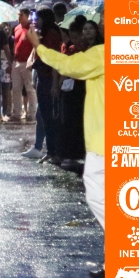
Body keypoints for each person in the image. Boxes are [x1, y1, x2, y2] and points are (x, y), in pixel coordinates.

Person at [26, 15, 105, 278]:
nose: (100, 22)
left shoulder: (104, 53)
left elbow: (68, 65)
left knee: (101, 198)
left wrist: (38, 46)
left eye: (105, 19)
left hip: (105, 142)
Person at [58, 20, 96, 172]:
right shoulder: (74, 49)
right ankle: (74, 154)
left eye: (90, 29)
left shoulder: (96, 47)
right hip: (76, 89)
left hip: (90, 88)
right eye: (85, 29)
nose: (87, 32)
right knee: (74, 121)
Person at [32, 8, 63, 164]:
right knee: (44, 115)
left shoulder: (51, 34)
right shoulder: (44, 33)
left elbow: (52, 59)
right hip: (42, 77)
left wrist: (54, 84)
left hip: (49, 79)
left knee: (49, 117)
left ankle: (54, 152)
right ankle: (50, 151)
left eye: (38, 18)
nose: (36, 21)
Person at [11, 8, 39, 123]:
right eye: (18, 15)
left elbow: (35, 45)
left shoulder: (31, 29)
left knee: (30, 89)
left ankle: (32, 113)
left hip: (27, 63)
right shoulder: (16, 28)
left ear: (27, 16)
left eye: (21, 15)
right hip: (16, 62)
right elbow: (15, 43)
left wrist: (31, 60)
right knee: (16, 88)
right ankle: (17, 113)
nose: (19, 17)